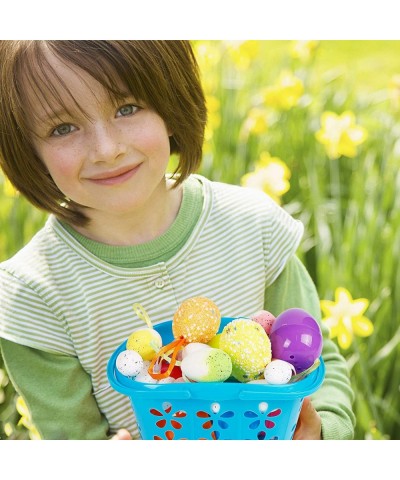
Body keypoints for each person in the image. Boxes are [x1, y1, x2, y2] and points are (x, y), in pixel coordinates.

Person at [0, 40, 355, 440]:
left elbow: (316, 367)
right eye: (63, 128)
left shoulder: (252, 227)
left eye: (127, 108)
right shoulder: (32, 295)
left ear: (170, 102)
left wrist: (323, 435)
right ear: (27, 148)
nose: (106, 150)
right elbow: (72, 437)